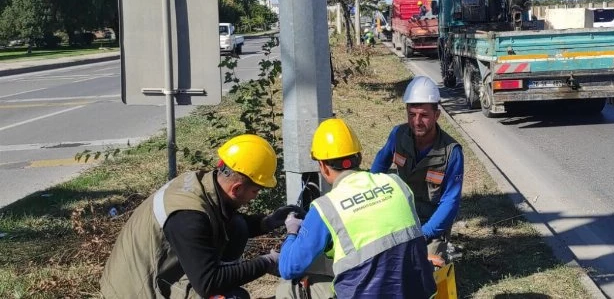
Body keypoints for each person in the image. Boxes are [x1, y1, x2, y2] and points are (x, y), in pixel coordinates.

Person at [100, 134, 302, 299]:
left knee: (238, 225)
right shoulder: (188, 217)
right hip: (138, 290)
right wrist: (266, 262)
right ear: (237, 188)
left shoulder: (205, 183)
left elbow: (218, 222)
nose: (254, 197)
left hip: (159, 273)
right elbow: (208, 283)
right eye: (255, 192)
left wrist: (267, 222)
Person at [278, 118, 436, 299]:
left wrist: (292, 232)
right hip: (418, 293)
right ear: (358, 157)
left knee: (289, 286)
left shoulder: (326, 208)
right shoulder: (396, 183)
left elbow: (288, 267)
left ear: (322, 166)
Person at [370, 75, 464, 261]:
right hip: (399, 217)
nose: (417, 121)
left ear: (436, 115)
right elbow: (378, 169)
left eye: (424, 115)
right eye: (412, 115)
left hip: (430, 225)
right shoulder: (398, 135)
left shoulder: (452, 153)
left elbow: (450, 203)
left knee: (425, 270)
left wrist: (424, 234)